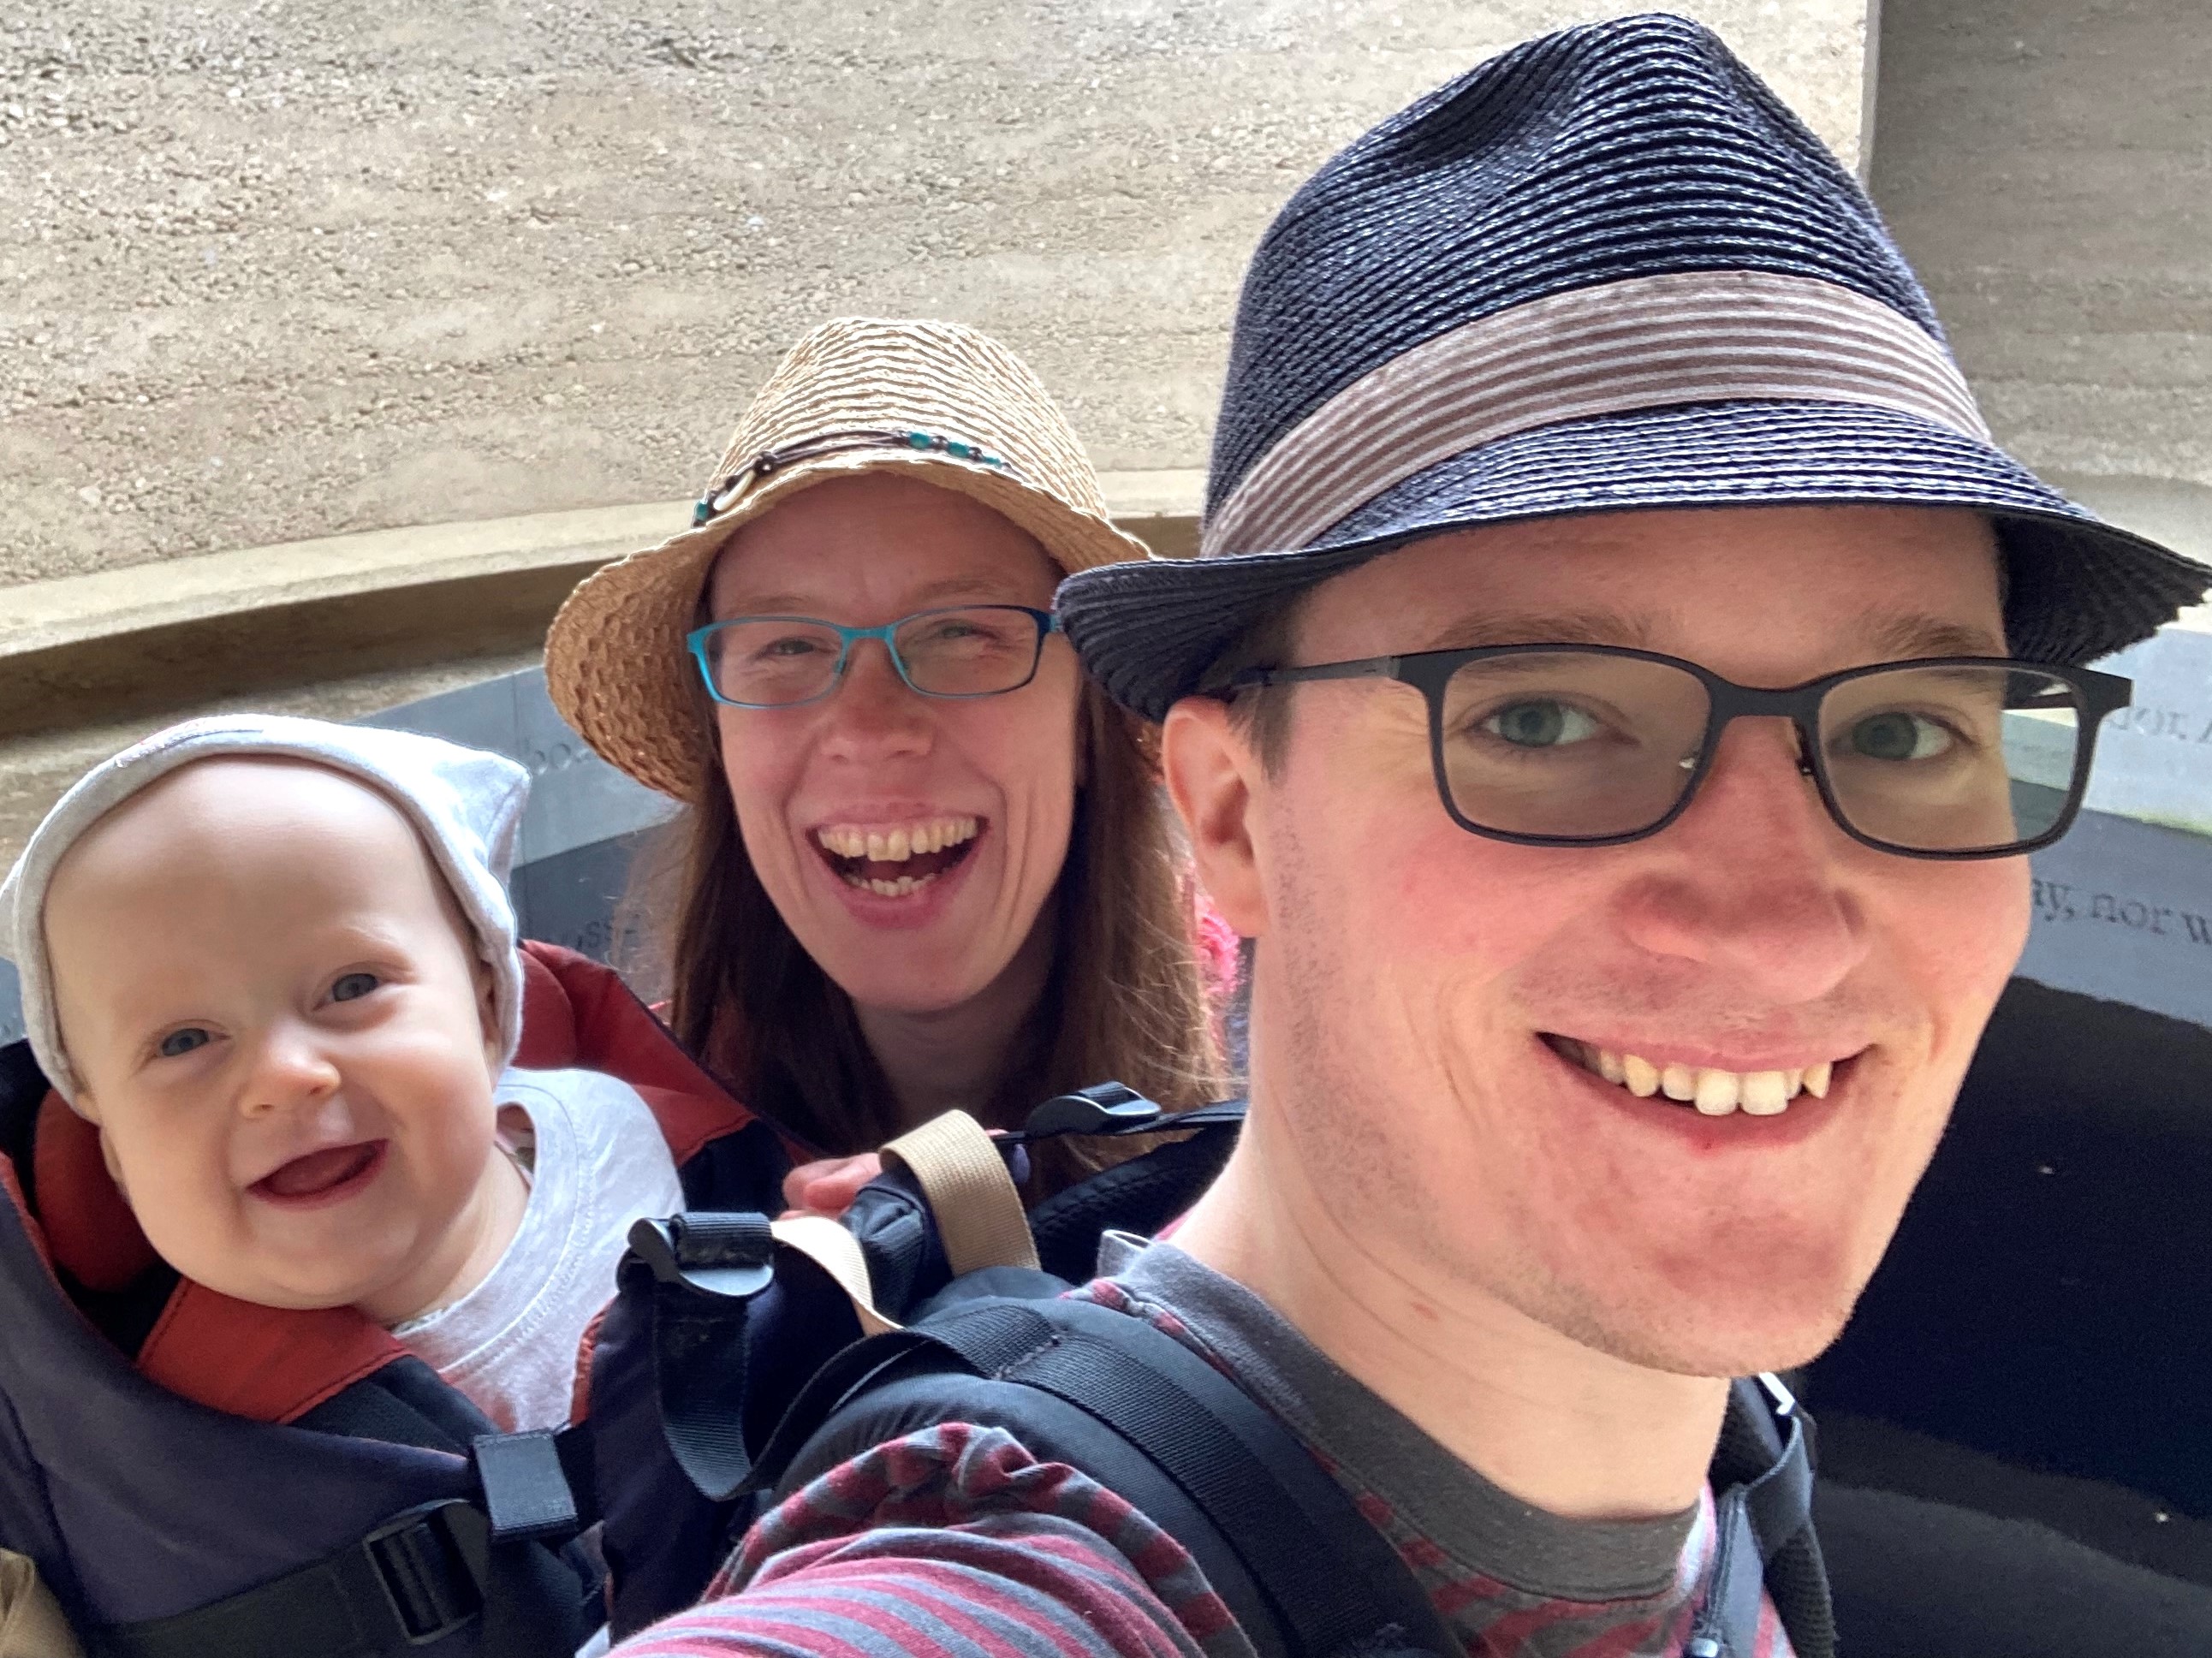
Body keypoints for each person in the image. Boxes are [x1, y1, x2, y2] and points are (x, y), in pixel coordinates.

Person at [606, 15, 2210, 1658]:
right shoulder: (1002, 1579)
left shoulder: (1719, 1451)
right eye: (1537, 717)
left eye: (1899, 728)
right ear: (1226, 808)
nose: (1777, 925)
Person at [543, 318, 1230, 1203]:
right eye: (788, 645)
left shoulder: (1315, 1106)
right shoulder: (597, 1172)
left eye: (961, 633)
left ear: (1086, 717)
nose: (866, 727)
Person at [0, 715, 684, 1433]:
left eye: (353, 986)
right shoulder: (146, 1428)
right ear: (115, 1152)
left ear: (488, 1012)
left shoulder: (632, 1139)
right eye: (184, 1040)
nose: (285, 1076)